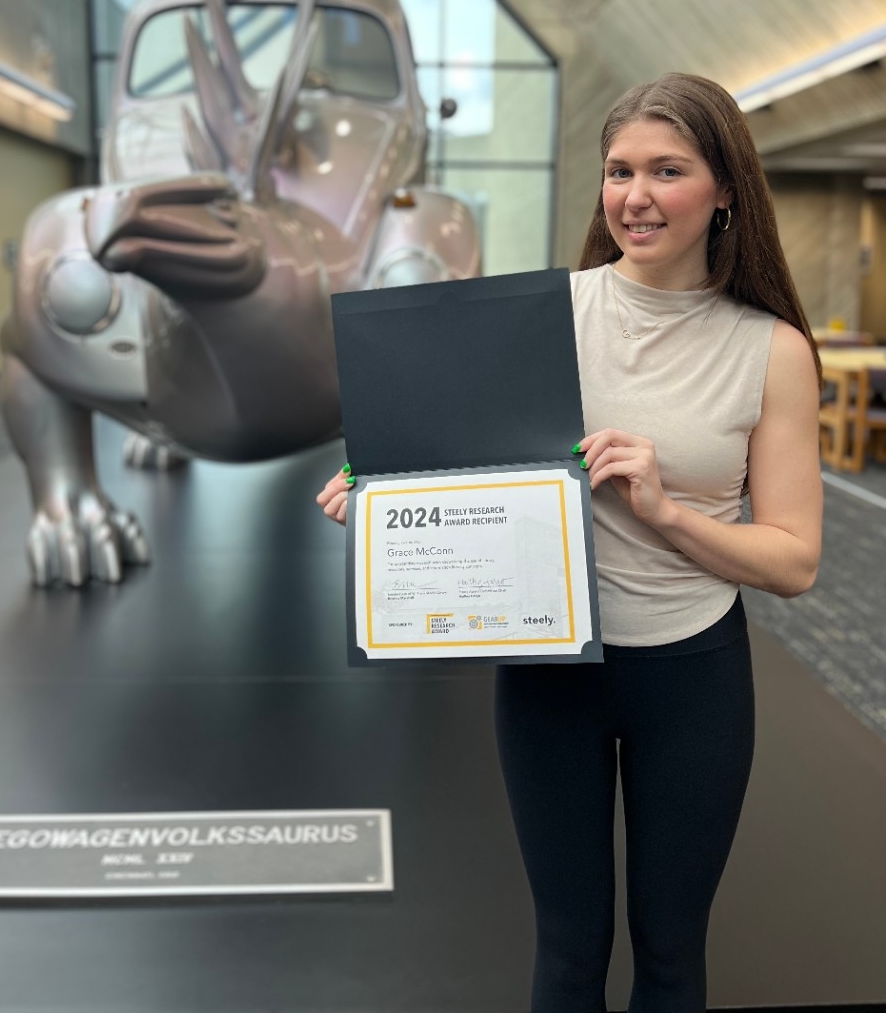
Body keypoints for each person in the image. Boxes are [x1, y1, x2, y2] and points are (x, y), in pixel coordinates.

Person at [316, 72, 823, 1013]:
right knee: (566, 948)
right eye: (618, 170)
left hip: (693, 674)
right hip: (550, 672)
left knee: (671, 954)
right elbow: (448, 455)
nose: (635, 196)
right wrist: (380, 488)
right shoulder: (542, 316)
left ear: (724, 190)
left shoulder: (771, 349)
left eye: (667, 170)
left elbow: (794, 560)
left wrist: (667, 511)